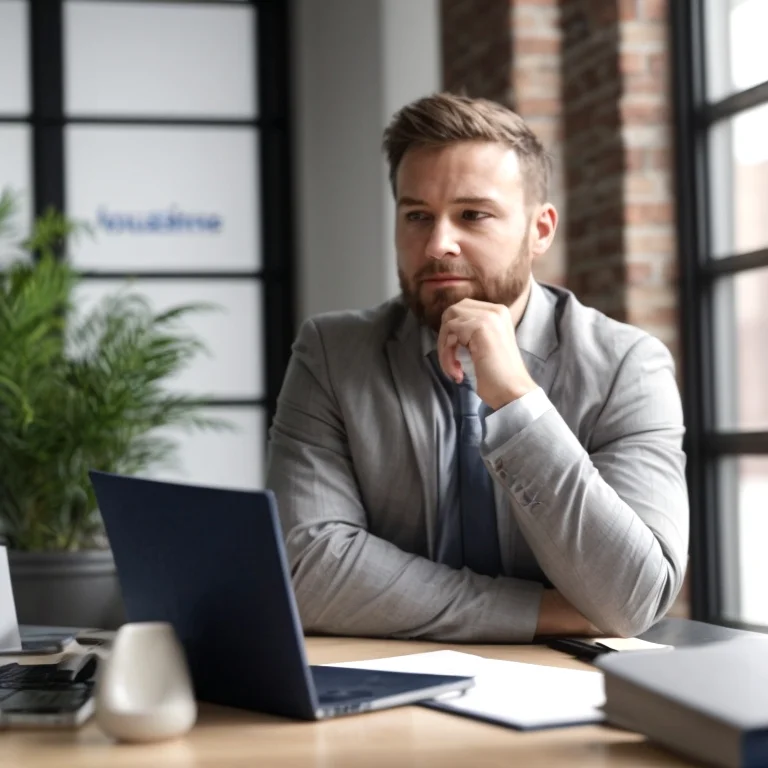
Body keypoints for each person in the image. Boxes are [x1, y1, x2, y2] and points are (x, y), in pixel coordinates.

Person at [266, 92, 689, 642]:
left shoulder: (627, 367)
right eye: (417, 216)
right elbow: (306, 569)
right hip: (390, 677)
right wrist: (540, 613)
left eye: (473, 215)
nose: (438, 244)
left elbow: (634, 597)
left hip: (568, 684)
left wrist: (518, 401)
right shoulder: (331, 354)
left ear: (540, 230)